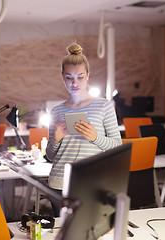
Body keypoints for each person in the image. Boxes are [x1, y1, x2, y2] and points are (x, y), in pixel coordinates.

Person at [45, 43, 122, 216]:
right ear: (63, 77)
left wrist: (95, 137)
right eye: (69, 77)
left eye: (80, 76)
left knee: (92, 230)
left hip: (92, 182)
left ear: (88, 75)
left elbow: (118, 146)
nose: (75, 82)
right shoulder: (56, 111)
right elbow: (50, 156)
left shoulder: (104, 106)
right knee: (65, 232)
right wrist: (55, 140)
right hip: (59, 183)